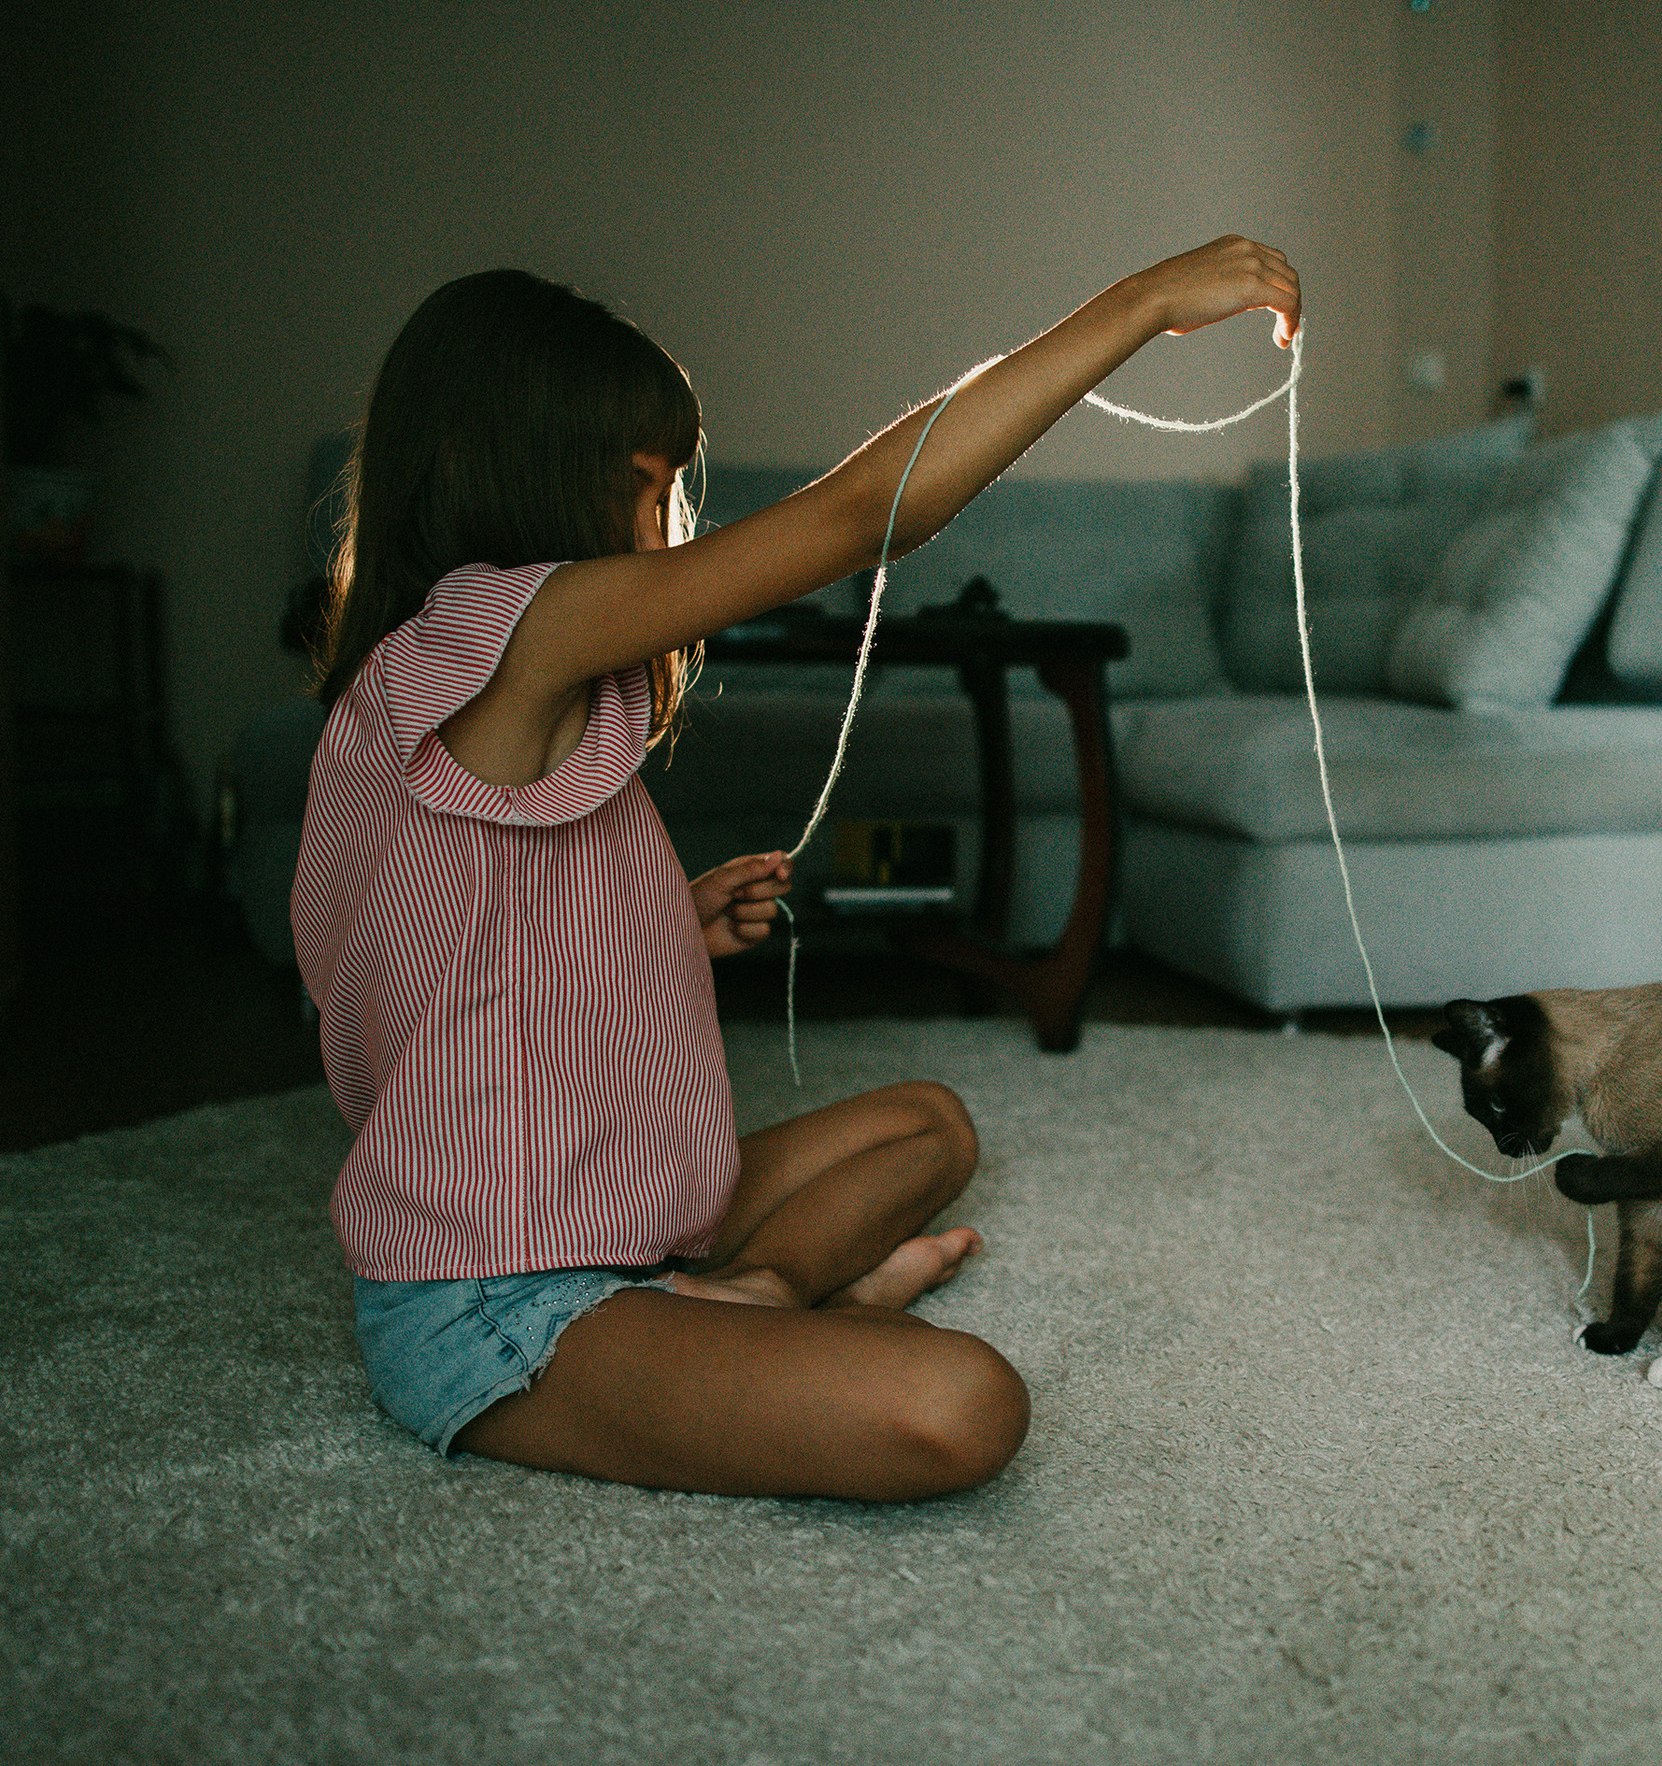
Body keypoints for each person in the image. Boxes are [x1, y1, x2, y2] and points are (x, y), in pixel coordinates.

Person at [294, 236, 1302, 1500]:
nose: (662, 529)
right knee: (961, 1403)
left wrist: (669, 918)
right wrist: (1141, 304)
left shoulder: (452, 670)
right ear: (523, 473)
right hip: (503, 1298)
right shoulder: (507, 632)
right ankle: (762, 1310)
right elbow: (859, 514)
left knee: (931, 1121)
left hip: (617, 1216)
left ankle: (754, 1292)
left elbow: (448, 948)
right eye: (644, 488)